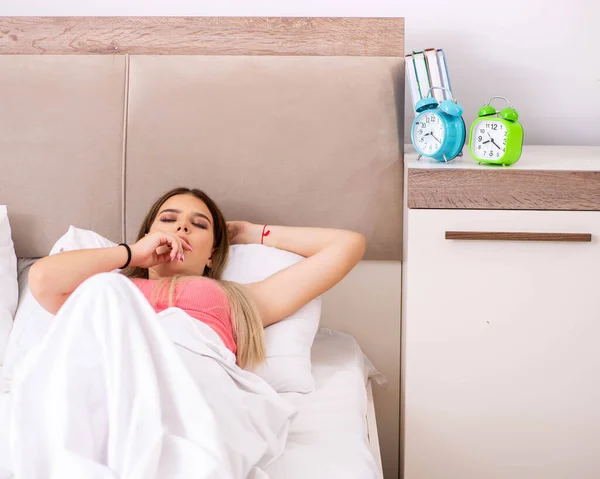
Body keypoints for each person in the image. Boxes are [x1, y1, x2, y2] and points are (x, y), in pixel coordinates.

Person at [29, 187, 366, 369]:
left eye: (200, 224)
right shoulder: (111, 286)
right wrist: (133, 254)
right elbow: (43, 279)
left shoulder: (239, 299)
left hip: (190, 382)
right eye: (168, 219)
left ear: (211, 254)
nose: (181, 227)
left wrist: (249, 232)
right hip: (111, 374)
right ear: (148, 234)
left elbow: (347, 245)